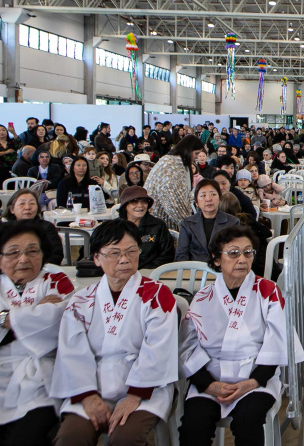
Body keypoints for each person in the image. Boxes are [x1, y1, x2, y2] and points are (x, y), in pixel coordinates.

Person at [51, 219, 178, 446]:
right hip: (92, 385)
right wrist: (88, 396)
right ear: (97, 258)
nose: (124, 259)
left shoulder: (157, 294)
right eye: (114, 253)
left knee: (125, 438)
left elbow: (159, 349)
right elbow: (72, 351)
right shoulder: (81, 300)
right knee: (71, 437)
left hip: (144, 387)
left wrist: (134, 396)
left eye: (131, 251)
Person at [177, 225, 304, 445]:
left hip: (255, 375)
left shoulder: (268, 291)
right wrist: (207, 384)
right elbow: (187, 346)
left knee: (248, 420)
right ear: (217, 260)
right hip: (211, 376)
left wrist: (253, 381)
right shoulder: (202, 297)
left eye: (248, 252)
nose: (242, 259)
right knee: (194, 424)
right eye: (233, 253)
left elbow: (279, 342)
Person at [0, 220, 75, 446]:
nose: (23, 259)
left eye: (32, 251)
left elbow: (57, 318)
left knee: (26, 435)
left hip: (41, 374)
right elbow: (41, 315)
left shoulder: (56, 280)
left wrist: (6, 317)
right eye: (13, 252)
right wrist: (27, 312)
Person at [145, 136, 205, 231]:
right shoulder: (173, 166)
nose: (197, 157)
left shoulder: (171, 161)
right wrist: (190, 226)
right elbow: (174, 204)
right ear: (187, 150)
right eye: (196, 153)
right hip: (161, 222)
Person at [176, 180, 240, 262]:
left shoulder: (233, 223)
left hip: (222, 270)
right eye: (203, 195)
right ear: (196, 202)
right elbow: (182, 255)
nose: (208, 199)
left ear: (220, 198)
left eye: (213, 194)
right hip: (194, 271)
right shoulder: (187, 223)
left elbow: (235, 253)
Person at [0, 189, 64, 264]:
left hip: (42, 271)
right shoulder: (4, 230)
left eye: (32, 203)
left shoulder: (47, 227)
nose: (27, 207)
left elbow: (56, 255)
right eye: (22, 204)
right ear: (11, 209)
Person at [117, 186, 174, 269]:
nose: (140, 205)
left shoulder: (158, 225)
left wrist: (143, 269)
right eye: (134, 202)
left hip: (151, 271)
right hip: (121, 271)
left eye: (144, 202)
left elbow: (167, 256)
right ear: (125, 206)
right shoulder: (114, 228)